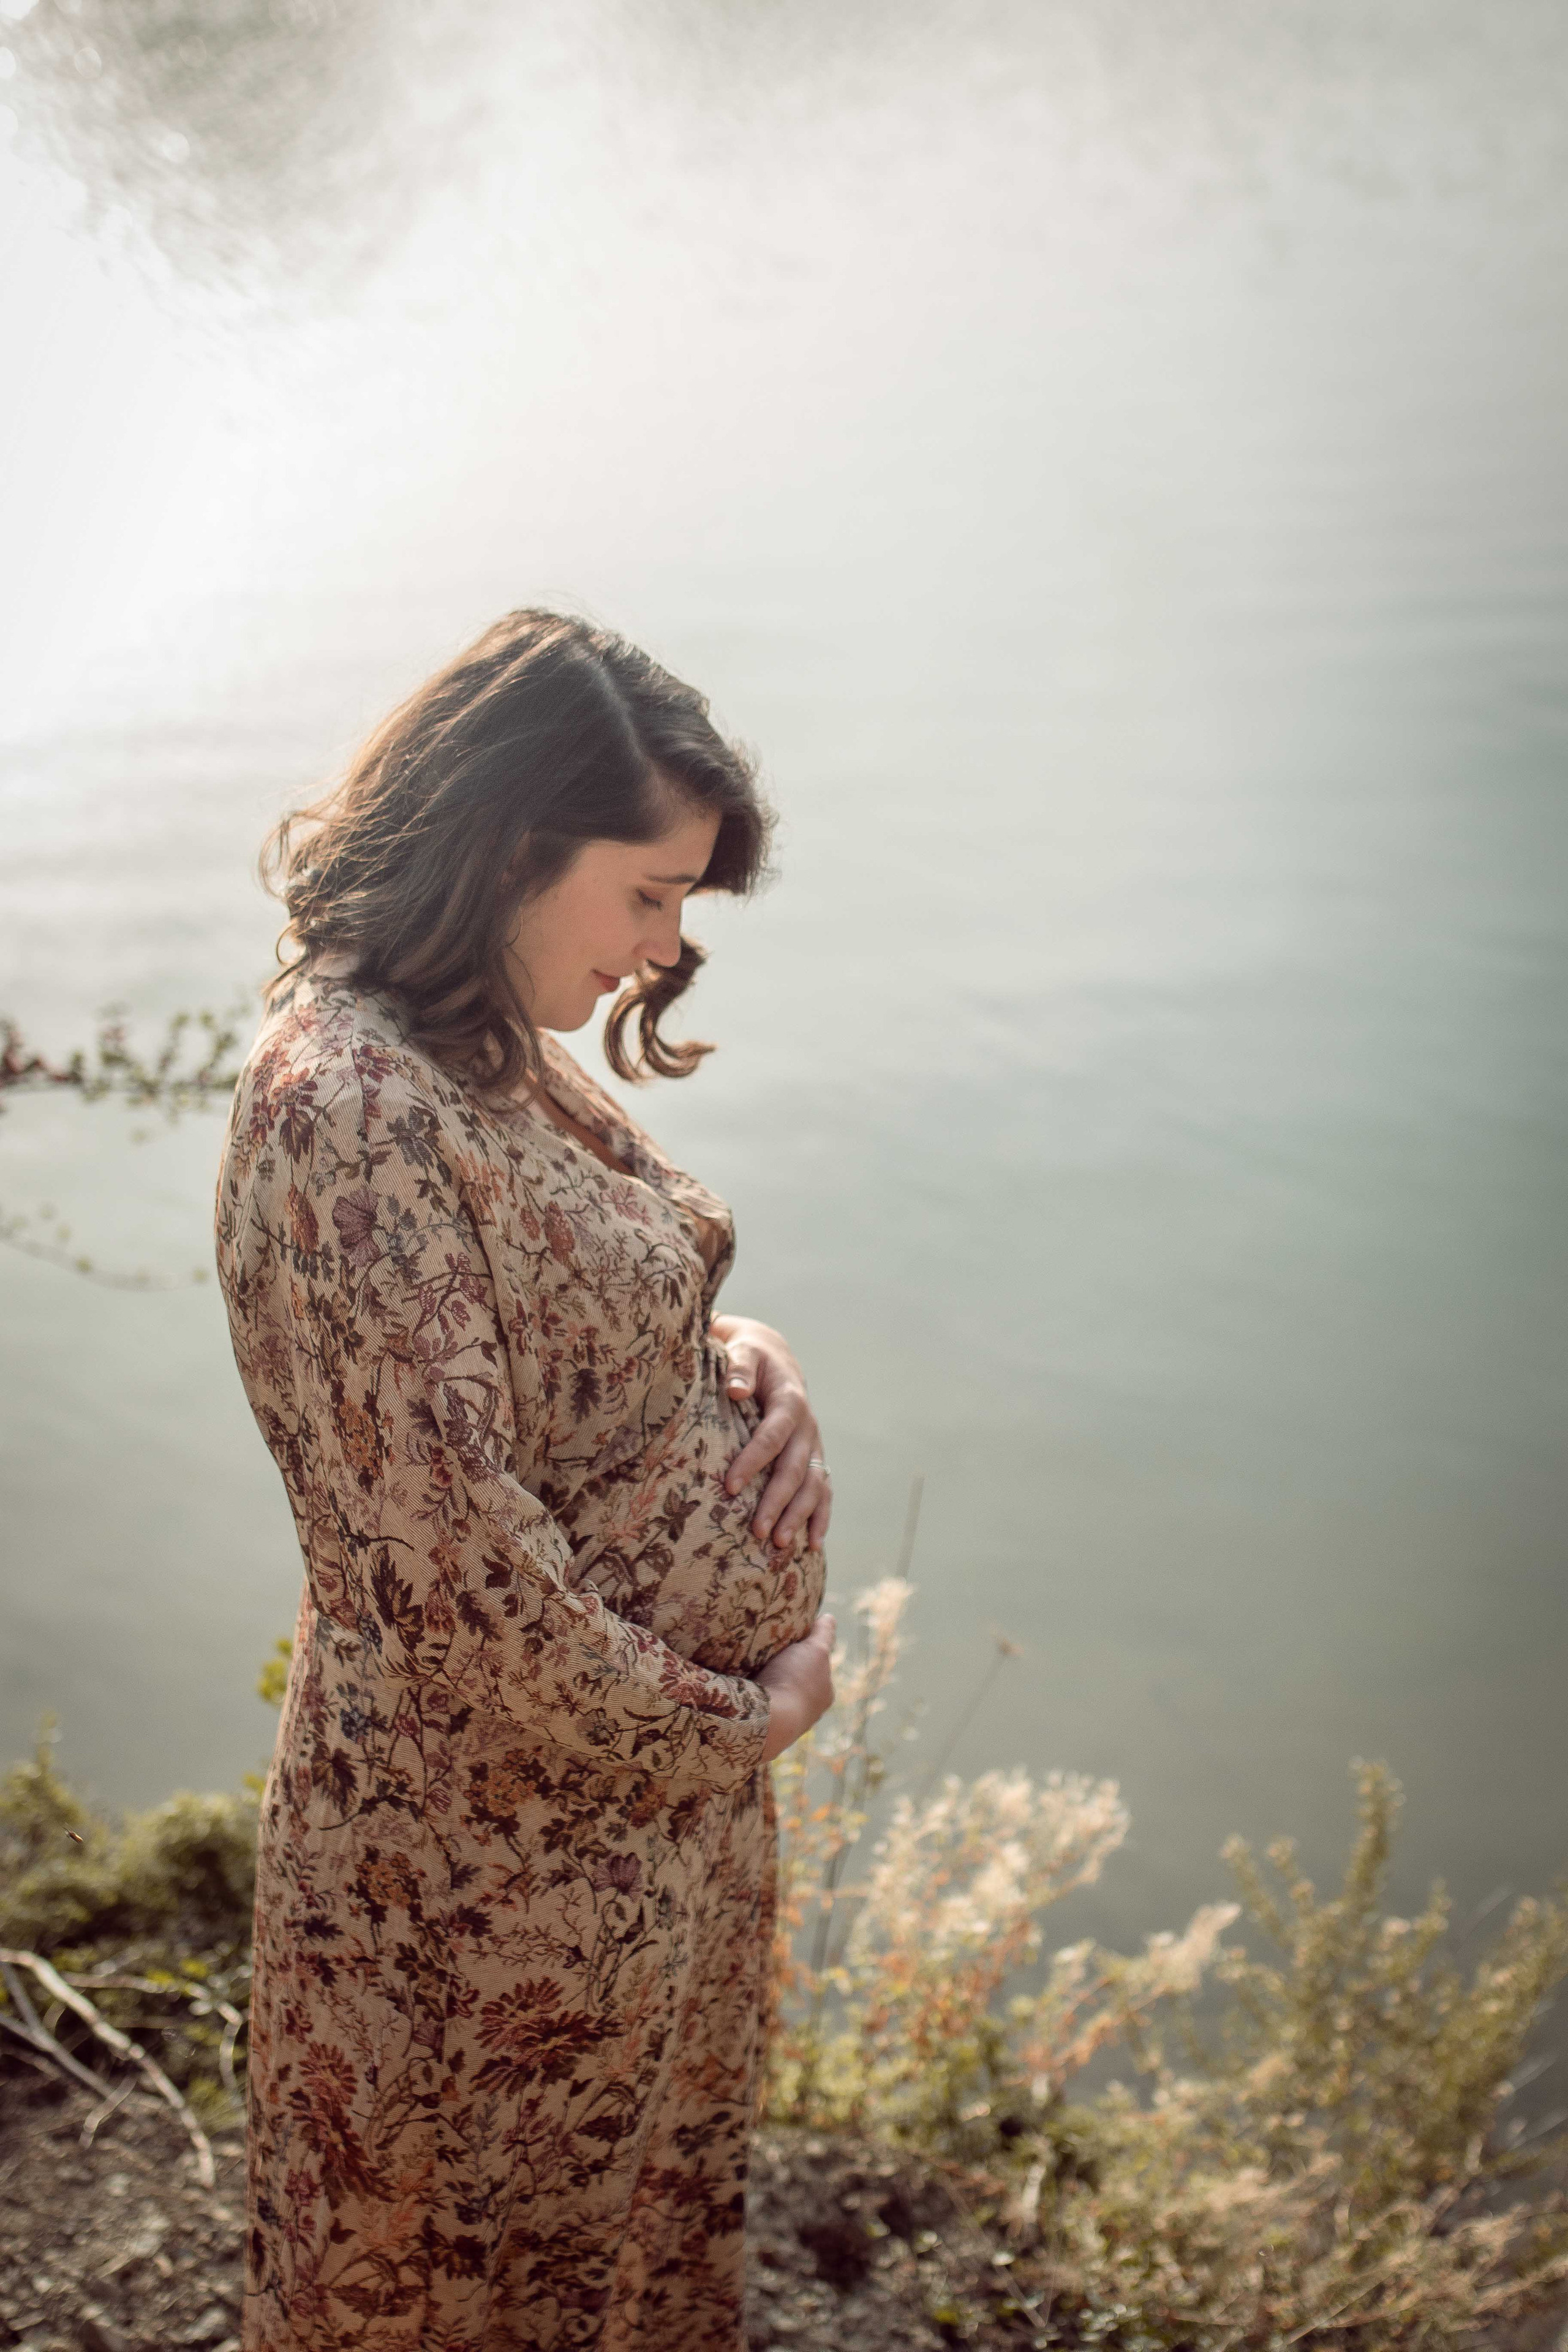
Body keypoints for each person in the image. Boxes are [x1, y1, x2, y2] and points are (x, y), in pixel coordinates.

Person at [214, 608, 837, 2352]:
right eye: (646, 894)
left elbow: (582, 1332)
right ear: (508, 842)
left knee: (616, 2284)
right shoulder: (345, 1109)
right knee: (450, 2299)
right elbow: (466, 1601)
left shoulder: (481, 1051)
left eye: (683, 909)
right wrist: (755, 1714)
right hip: (478, 1905)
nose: (661, 948)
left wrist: (747, 1359)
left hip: (624, 1861)